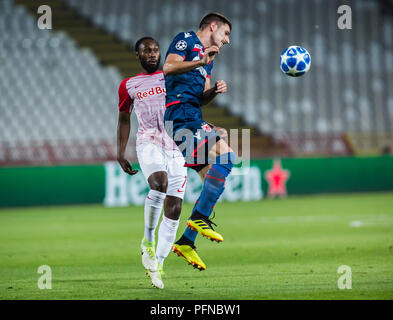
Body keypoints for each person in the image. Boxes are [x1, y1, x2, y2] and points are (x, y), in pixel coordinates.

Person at [163, 12, 235, 271]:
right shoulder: (186, 40)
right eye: (225, 33)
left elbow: (202, 96)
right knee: (228, 157)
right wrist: (199, 61)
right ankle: (200, 219)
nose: (227, 40)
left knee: (211, 182)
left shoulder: (209, 60)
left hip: (192, 115)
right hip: (180, 115)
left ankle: (186, 242)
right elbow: (168, 67)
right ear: (212, 26)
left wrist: (213, 90)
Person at [117, 37, 187, 289]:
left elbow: (194, 103)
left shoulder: (171, 78)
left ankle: (158, 262)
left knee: (176, 208)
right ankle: (147, 241)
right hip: (148, 141)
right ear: (137, 55)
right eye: (147, 50)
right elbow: (124, 119)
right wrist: (120, 152)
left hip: (176, 144)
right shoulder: (129, 85)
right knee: (159, 183)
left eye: (156, 50)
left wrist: (212, 92)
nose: (152, 54)